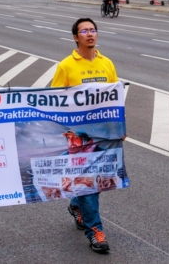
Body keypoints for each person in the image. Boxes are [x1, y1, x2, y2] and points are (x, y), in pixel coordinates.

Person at [50, 17, 119, 254]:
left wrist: (119, 128)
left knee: (96, 182)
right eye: (84, 31)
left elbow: (114, 100)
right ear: (75, 37)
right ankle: (96, 232)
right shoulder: (66, 66)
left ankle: (75, 204)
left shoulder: (106, 63)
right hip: (78, 139)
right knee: (88, 183)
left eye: (93, 30)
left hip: (101, 136)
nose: (90, 34)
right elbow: (55, 100)